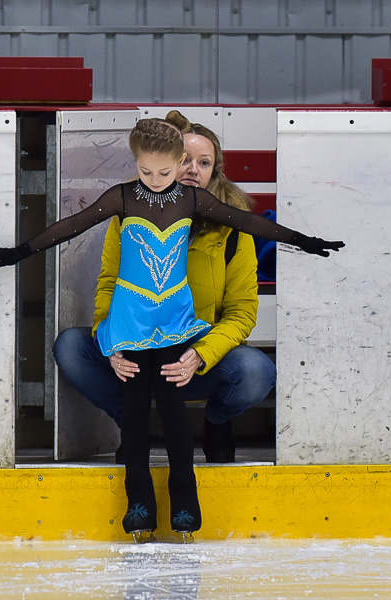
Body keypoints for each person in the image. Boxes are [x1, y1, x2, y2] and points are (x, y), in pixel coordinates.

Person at [0, 118, 344, 541]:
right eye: (153, 170)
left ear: (212, 169)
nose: (166, 177)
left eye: (199, 163)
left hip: (179, 332)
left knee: (180, 414)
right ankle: (138, 506)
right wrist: (23, 253)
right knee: (125, 406)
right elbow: (77, 231)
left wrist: (305, 241)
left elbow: (253, 244)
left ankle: (186, 501)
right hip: (132, 326)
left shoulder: (202, 208)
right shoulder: (123, 200)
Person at [54, 110, 278, 464]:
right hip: (138, 352)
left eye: (204, 163)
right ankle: (133, 426)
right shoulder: (129, 214)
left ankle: (217, 422)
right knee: (71, 348)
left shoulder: (234, 229)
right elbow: (109, 285)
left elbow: (242, 313)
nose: (193, 169)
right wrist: (112, 343)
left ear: (214, 173)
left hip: (194, 358)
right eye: (184, 159)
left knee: (255, 372)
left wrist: (200, 354)